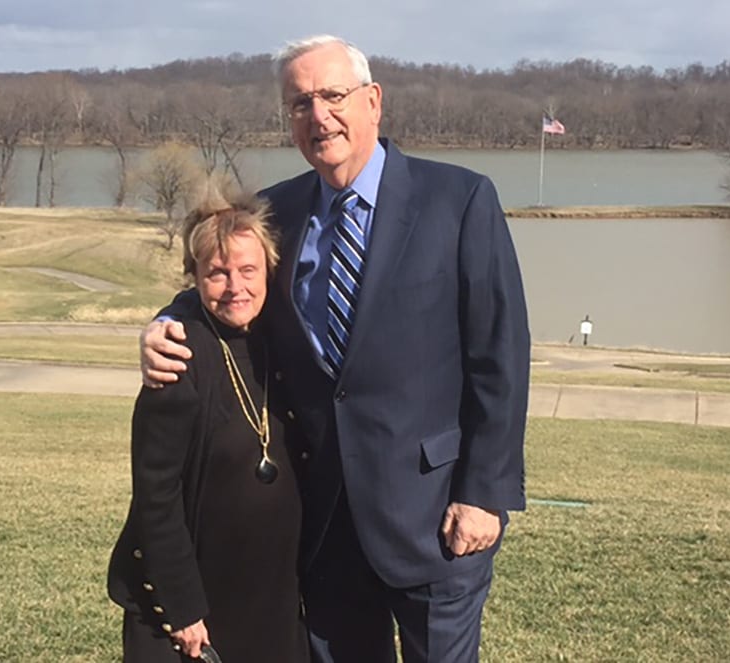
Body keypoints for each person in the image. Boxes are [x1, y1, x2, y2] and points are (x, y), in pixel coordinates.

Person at [141, 35, 530, 663]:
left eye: (332, 96)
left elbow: (500, 355)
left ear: (373, 101)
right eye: (300, 103)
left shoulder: (458, 201)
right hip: (323, 519)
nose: (318, 115)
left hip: (435, 517)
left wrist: (483, 492)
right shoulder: (279, 212)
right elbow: (225, 279)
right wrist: (163, 322)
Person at [108, 192, 310, 663]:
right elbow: (156, 496)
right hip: (195, 599)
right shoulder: (177, 357)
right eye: (216, 273)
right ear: (194, 278)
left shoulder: (282, 344)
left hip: (273, 596)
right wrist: (181, 606)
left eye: (247, 271)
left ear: (269, 272)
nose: (234, 286)